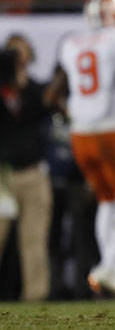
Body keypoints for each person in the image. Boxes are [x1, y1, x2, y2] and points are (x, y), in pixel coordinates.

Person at [46, 0, 115, 293]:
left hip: (80, 134)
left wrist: (78, 114)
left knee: (109, 200)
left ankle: (110, 268)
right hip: (108, 131)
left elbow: (52, 95)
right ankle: (109, 267)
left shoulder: (73, 43)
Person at [0, 35, 53, 301]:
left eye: (22, 55)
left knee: (33, 241)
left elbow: (48, 106)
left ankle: (36, 297)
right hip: (2, 176)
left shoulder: (35, 90)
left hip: (33, 173)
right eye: (13, 55)